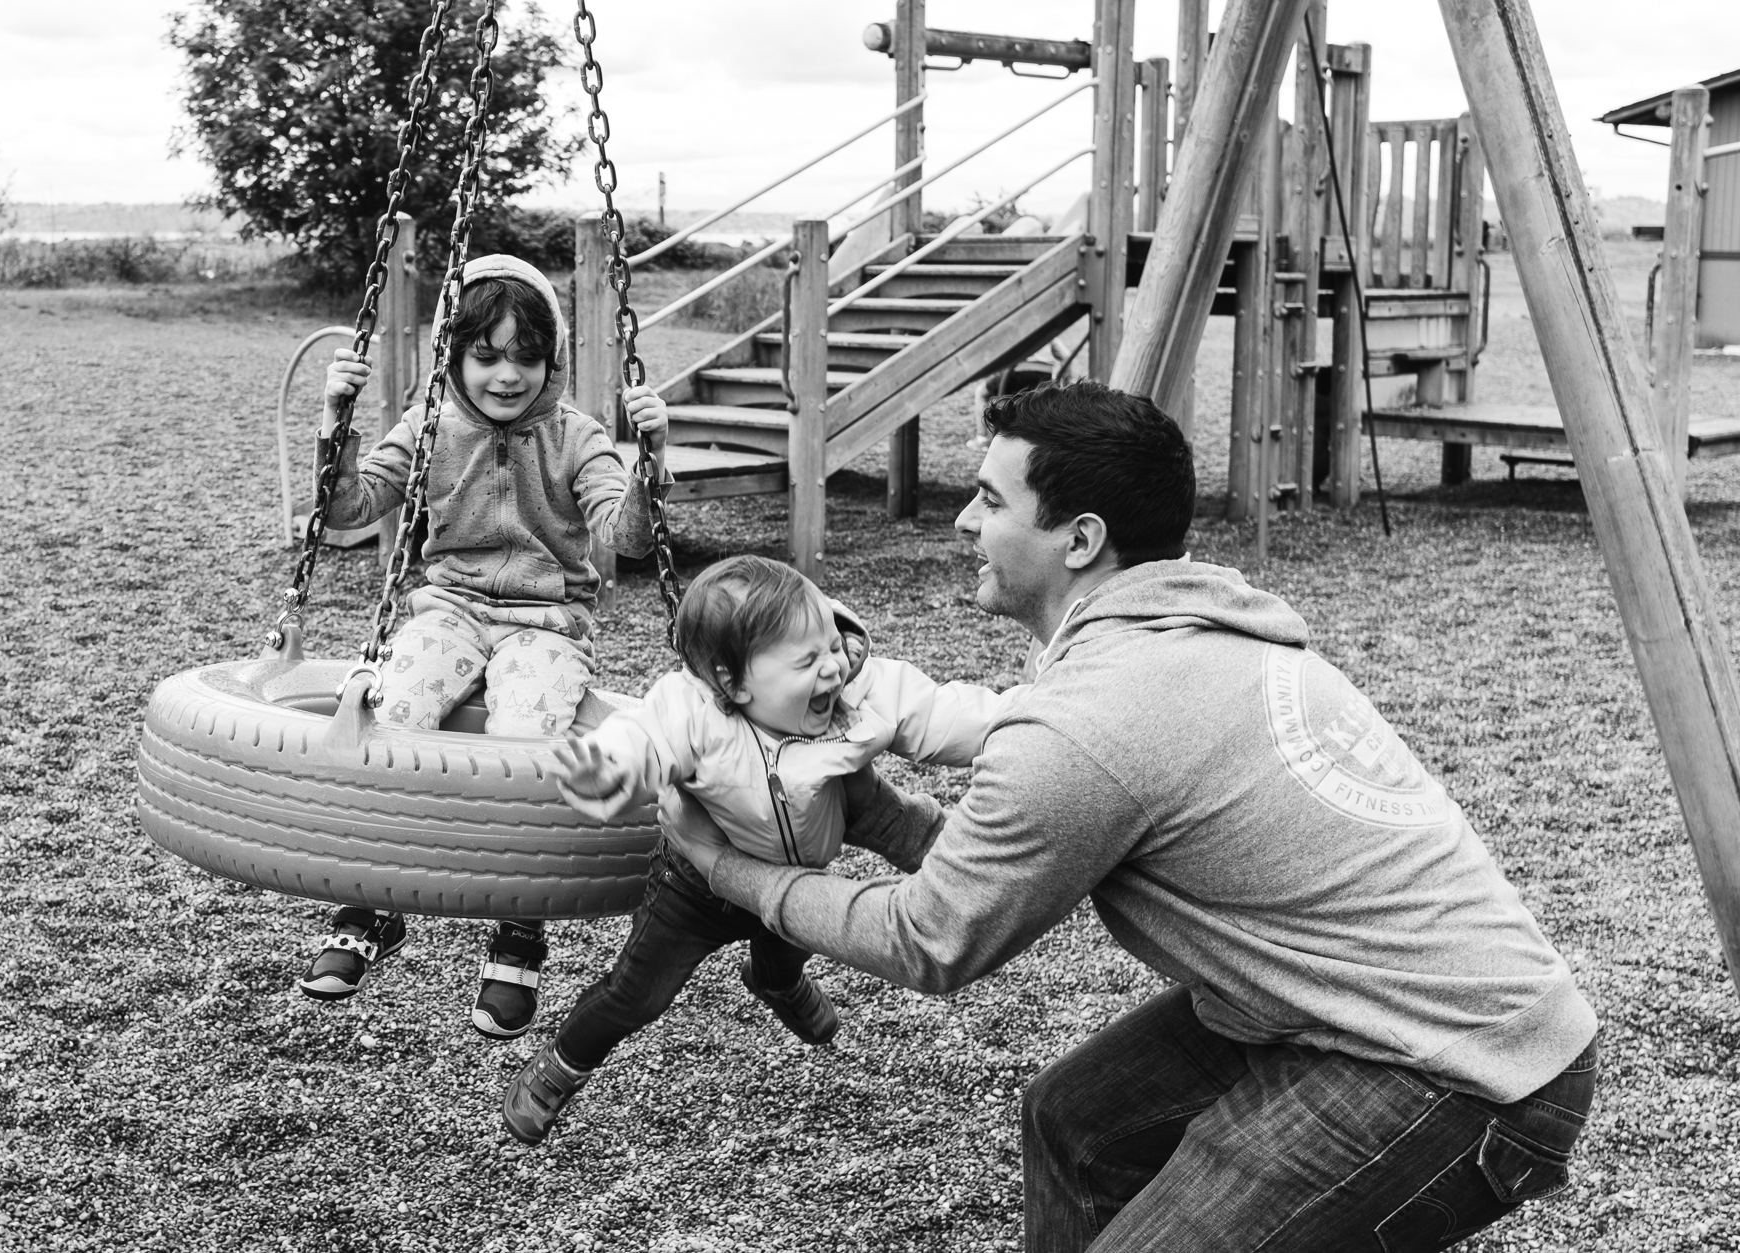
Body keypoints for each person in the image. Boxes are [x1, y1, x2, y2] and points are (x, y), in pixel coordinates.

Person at [659, 380, 1599, 1252]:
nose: (962, 519)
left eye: (990, 499)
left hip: (1466, 1068)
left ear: (1078, 540)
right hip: (1343, 1002)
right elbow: (1019, 853)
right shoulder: (1182, 631)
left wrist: (730, 870)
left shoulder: (1091, 717)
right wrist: (877, 817)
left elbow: (929, 936)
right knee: (1076, 1124)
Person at [498, 555, 1026, 1145]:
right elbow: (642, 736)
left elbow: (939, 713)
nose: (832, 668)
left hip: (796, 874)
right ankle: (563, 1064)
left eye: (830, 643)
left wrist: (1028, 718)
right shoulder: (691, 710)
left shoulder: (855, 688)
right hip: (694, 887)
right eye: (807, 660)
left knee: (787, 952)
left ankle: (776, 984)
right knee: (638, 993)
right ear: (734, 682)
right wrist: (612, 769)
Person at [297, 253, 670, 1041]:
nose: (508, 375)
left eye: (527, 357)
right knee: (394, 711)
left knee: (526, 738)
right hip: (450, 608)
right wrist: (337, 420)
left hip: (546, 621)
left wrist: (649, 463)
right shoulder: (430, 424)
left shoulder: (578, 435)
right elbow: (349, 508)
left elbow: (625, 538)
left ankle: (519, 926)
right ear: (453, 353)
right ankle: (374, 900)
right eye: (487, 354)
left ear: (553, 359)